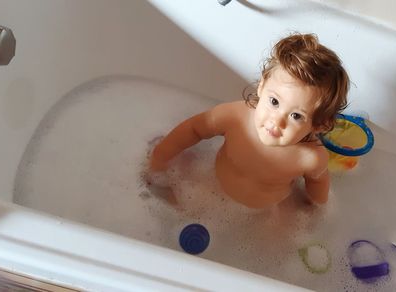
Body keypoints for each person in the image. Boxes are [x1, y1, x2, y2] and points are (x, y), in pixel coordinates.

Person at [147, 33, 349, 209]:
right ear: (261, 86)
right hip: (214, 185)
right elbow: (194, 129)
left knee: (277, 237)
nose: (277, 121)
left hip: (267, 209)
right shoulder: (235, 118)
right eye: (274, 101)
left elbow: (318, 183)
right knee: (181, 204)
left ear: (318, 125)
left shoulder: (310, 157)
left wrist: (316, 208)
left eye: (296, 116)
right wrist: (161, 155)